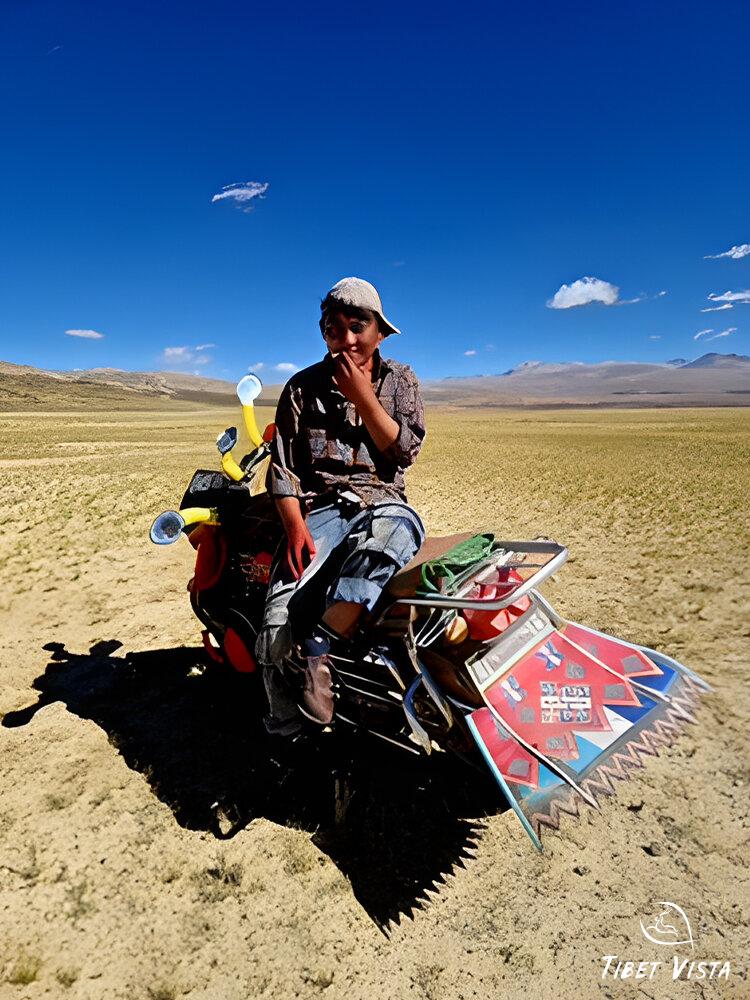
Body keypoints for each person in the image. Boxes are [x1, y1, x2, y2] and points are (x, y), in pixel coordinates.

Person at [256, 277, 426, 736]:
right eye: (334, 329)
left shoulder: (401, 380)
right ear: (323, 331)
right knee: (275, 621)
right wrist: (294, 528)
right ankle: (285, 721)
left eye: (357, 326)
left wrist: (363, 397)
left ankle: (320, 643)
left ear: (379, 331)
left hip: (383, 503)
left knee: (397, 534)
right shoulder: (300, 388)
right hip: (321, 510)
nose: (346, 339)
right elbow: (284, 470)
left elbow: (404, 451)